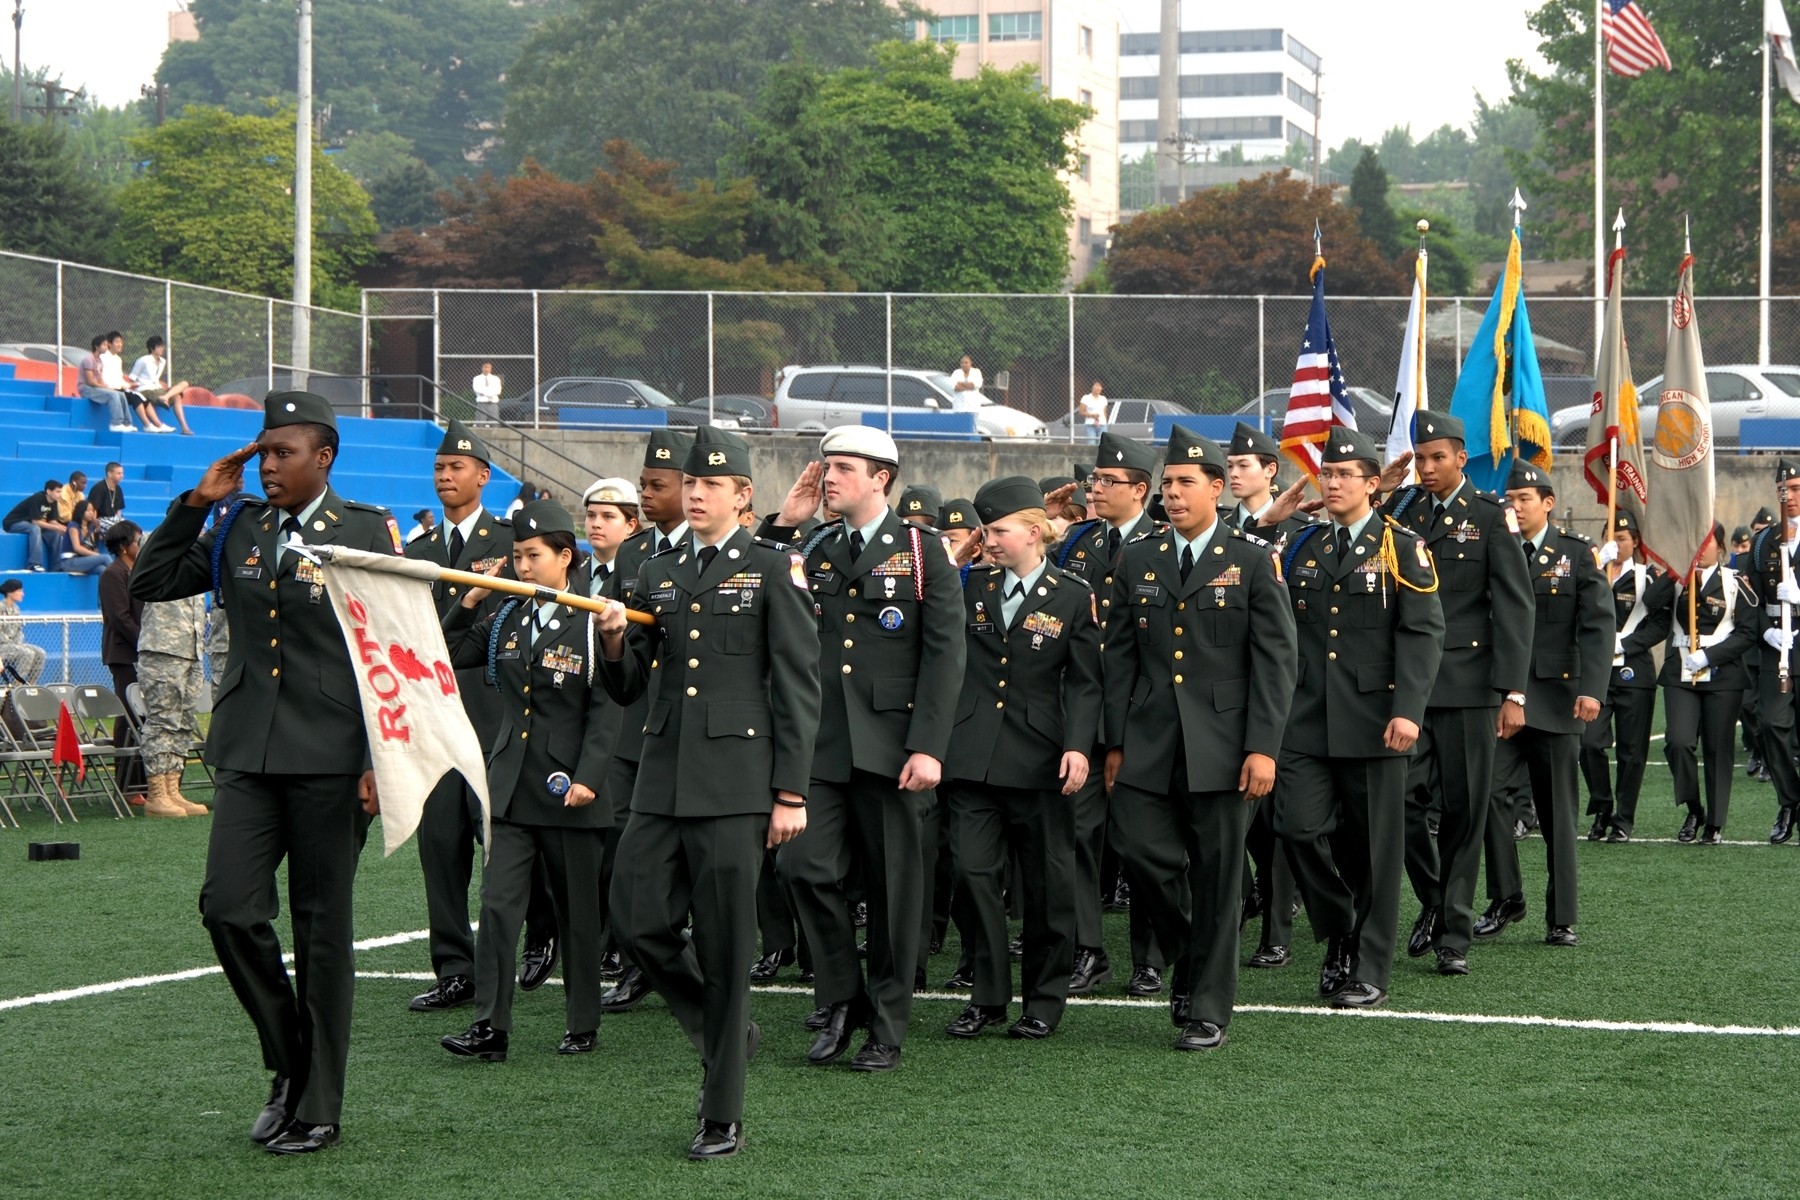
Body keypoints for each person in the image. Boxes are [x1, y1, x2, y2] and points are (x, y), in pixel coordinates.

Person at [129, 389, 404, 1155]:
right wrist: (195, 502)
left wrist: (380, 759)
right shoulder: (238, 523)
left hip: (334, 759)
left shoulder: (366, 530)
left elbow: (394, 654)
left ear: (325, 457)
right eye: (263, 450)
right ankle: (289, 1060)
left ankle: (318, 1103)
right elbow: (152, 583)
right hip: (247, 749)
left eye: (284, 452)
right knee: (227, 908)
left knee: (322, 932)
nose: (269, 464)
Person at [596, 425, 821, 1159]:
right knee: (634, 917)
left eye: (709, 485)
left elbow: (797, 687)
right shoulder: (654, 568)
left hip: (735, 784)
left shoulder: (772, 566)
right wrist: (611, 644)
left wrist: (790, 792)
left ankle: (721, 1108)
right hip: (662, 776)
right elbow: (629, 689)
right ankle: (724, 1030)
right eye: (688, 484)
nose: (694, 494)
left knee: (726, 949)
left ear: (742, 496)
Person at [766, 426, 965, 1074]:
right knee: (802, 870)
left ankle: (886, 1025)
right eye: (827, 466)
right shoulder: (814, 547)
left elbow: (944, 655)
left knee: (893, 892)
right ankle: (842, 996)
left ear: (881, 477)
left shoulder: (922, 549)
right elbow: (756, 595)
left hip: (892, 749)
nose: (829, 477)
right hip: (820, 747)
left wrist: (929, 747)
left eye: (844, 468)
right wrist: (783, 527)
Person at [1105, 428, 1297, 1049]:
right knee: (1141, 852)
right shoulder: (1138, 557)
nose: (1174, 493)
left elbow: (1275, 662)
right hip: (1149, 741)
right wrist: (1114, 741)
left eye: (1187, 483)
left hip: (1224, 746)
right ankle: (1190, 958)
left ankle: (1208, 1004)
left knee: (1218, 878)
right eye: (1167, 483)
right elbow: (1121, 658)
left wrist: (1263, 747)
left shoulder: (1249, 559)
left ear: (1218, 489)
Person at [1271, 428, 1443, 1009]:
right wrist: (1273, 515)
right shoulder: (1304, 545)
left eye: (1347, 475)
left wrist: (1408, 712)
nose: (1334, 481)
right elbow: (1245, 553)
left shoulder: (1401, 545)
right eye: (1329, 473)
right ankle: (1339, 925)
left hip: (1375, 720)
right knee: (1295, 826)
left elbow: (1421, 633)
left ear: (1374, 485)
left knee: (1374, 850)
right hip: (1306, 718)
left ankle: (1368, 966)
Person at [439, 499, 614, 1064]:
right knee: (496, 905)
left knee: (576, 913)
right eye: (516, 556)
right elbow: (449, 651)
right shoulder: (509, 617)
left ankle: (583, 1019)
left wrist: (588, 776)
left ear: (566, 557)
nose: (522, 566)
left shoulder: (593, 618)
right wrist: (469, 599)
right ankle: (490, 1025)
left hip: (568, 790)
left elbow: (607, 708)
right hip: (511, 787)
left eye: (533, 556)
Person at [940, 476, 1100, 1042]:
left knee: (1048, 885)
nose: (989, 540)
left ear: (1034, 533)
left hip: (1040, 758)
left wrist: (1079, 746)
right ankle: (987, 997)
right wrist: (959, 551)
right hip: (972, 756)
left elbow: (1084, 683)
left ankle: (1044, 999)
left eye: (999, 530)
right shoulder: (968, 585)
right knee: (971, 874)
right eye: (985, 531)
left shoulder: (1073, 595)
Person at [1378, 413, 1534, 978]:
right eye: (1420, 458)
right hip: (1409, 687)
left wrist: (1512, 692)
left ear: (1460, 458)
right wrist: (1387, 489)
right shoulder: (1406, 510)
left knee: (1466, 810)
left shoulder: (1493, 518)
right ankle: (1435, 898)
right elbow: (1361, 536)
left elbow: (1516, 609)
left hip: (1469, 687)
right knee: (1400, 801)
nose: (1427, 468)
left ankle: (1454, 935)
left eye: (1436, 458)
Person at [404, 420, 533, 1016]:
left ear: (483, 476)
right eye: (438, 469)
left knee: (503, 844)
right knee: (440, 843)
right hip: (433, 721)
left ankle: (521, 950)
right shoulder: (418, 552)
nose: (445, 477)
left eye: (456, 468)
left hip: (493, 717)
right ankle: (454, 967)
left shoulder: (512, 544)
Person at [1050, 430, 1167, 998]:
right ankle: (1089, 949)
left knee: (1140, 841)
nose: (1093, 489)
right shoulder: (1076, 545)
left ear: (1140, 490)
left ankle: (1149, 955)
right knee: (1077, 833)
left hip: (1142, 714)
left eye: (1106, 481)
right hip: (1085, 711)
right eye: (1095, 480)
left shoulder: (1163, 544)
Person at [1475, 463, 1610, 949]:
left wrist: (1592, 688)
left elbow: (1598, 624)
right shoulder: (1496, 550)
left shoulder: (1575, 554)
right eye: (1508, 499)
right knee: (1487, 795)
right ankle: (1506, 897)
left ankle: (1562, 916)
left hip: (1556, 699)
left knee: (1557, 813)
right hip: (1502, 700)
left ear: (1548, 503)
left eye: (1523, 499)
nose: (1513, 507)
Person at [594, 429, 695, 1012]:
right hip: (640, 722)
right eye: (644, 484)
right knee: (631, 852)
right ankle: (639, 963)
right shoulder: (633, 554)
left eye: (659, 485)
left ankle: (689, 961)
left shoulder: (721, 547)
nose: (647, 494)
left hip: (700, 724)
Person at [1644, 527, 1755, 843]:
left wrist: (1710, 656)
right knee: (1677, 741)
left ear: (1720, 547)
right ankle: (1694, 807)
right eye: (1697, 540)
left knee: (1718, 749)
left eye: (1707, 541)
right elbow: (1651, 602)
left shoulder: (1733, 583)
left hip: (1723, 675)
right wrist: (1673, 570)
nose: (1701, 547)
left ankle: (1715, 823)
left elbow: (1748, 631)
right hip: (1681, 671)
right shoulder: (1678, 579)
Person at [1582, 512, 1663, 842]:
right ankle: (1601, 805)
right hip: (1595, 672)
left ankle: (1623, 818)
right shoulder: (1592, 571)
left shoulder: (1647, 577)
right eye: (1610, 536)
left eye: (1623, 537)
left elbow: (1659, 623)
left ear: (1636, 543)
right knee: (1588, 743)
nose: (1616, 542)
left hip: (1633, 671)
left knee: (1632, 751)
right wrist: (1596, 567)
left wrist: (1626, 643)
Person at [1745, 462, 1800, 844]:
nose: (1791, 497)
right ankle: (1790, 800)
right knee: (1770, 725)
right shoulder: (1765, 542)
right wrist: (1767, 632)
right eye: (1785, 490)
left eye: (1796, 488)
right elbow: (1750, 601)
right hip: (1776, 650)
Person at [136, 560, 213, 819]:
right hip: (163, 649)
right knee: (162, 720)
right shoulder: (162, 549)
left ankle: (172, 788)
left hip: (191, 649)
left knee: (183, 722)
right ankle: (157, 793)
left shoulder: (197, 558)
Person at [98, 521, 147, 806]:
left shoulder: (135, 572)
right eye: (137, 541)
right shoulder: (112, 574)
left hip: (139, 652)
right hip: (124, 654)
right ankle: (128, 785)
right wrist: (144, 643)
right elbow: (120, 618)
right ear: (122, 546)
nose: (140, 546)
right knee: (129, 717)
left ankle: (143, 782)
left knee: (143, 718)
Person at [102, 332, 165, 434]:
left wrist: (129, 385)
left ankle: (148, 425)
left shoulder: (118, 359)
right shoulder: (103, 357)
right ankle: (139, 424)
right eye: (117, 342)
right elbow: (105, 378)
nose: (120, 344)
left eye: (121, 342)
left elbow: (119, 378)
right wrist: (116, 386)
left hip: (119, 388)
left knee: (139, 397)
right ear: (109, 344)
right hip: (110, 389)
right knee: (130, 396)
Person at [129, 336, 194, 434]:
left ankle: (184, 428)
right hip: (145, 390)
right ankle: (164, 399)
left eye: (162, 346)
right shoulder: (143, 360)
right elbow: (132, 378)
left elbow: (156, 379)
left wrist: (164, 390)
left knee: (181, 389)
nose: (161, 349)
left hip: (158, 390)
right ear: (152, 348)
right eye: (159, 347)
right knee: (173, 394)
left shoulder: (163, 361)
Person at [78, 334, 135, 432]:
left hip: (95, 388)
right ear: (96, 346)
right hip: (86, 388)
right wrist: (105, 388)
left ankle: (127, 423)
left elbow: (100, 379)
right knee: (113, 395)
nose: (106, 347)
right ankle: (115, 423)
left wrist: (107, 387)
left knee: (120, 394)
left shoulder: (99, 361)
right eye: (104, 345)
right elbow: (90, 381)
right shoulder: (89, 359)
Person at [6, 481, 67, 572]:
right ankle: (34, 564)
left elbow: (52, 520)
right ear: (49, 492)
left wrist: (61, 527)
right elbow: (36, 522)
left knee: (55, 534)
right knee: (35, 529)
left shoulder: (54, 501)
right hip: (14, 523)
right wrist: (56, 527)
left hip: (32, 524)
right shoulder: (38, 498)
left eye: (61, 492)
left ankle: (57, 566)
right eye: (58, 492)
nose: (60, 495)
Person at [0, 579, 47, 683]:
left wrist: (17, 643)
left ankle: (31, 684)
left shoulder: (16, 609)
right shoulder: (0, 607)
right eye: (20, 591)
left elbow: (19, 630)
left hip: (14, 645)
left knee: (40, 653)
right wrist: (11, 643)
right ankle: (17, 686)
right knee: (27, 653)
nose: (23, 594)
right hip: (2, 646)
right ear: (10, 592)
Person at [60, 499, 111, 575]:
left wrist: (96, 530)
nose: (91, 513)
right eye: (88, 510)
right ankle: (125, 580)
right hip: (69, 561)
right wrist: (97, 556)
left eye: (92, 511)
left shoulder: (90, 528)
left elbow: (91, 547)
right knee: (105, 558)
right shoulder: (73, 526)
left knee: (102, 569)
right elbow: (77, 548)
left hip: (82, 560)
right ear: (81, 511)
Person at [90, 462, 126, 535]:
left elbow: (118, 510)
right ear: (109, 474)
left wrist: (117, 520)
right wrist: (96, 524)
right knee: (116, 530)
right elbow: (93, 509)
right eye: (118, 473)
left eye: (122, 473)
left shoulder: (118, 489)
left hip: (113, 519)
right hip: (100, 519)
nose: (122, 476)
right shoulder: (99, 488)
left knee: (129, 528)